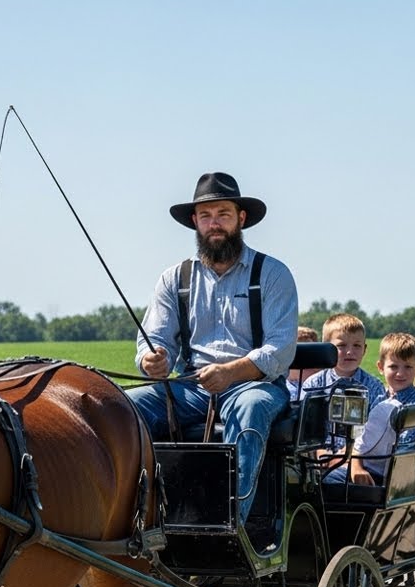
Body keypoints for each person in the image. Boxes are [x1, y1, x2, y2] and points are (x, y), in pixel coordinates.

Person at [129, 172, 298, 520]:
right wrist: (153, 361)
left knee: (250, 409)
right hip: (191, 387)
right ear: (195, 223)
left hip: (256, 386)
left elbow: (279, 350)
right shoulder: (175, 279)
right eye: (206, 216)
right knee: (126, 407)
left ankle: (230, 523)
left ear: (241, 218)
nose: (214, 224)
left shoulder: (272, 274)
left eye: (222, 214)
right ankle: (135, 515)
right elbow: (156, 340)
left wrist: (231, 372)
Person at [324, 332, 415, 485]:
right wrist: (354, 459)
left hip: (389, 473)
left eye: (408, 367)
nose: (400, 373)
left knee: (328, 482)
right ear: (381, 367)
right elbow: (364, 435)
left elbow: (403, 444)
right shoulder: (381, 398)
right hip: (367, 464)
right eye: (393, 366)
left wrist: (356, 460)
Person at [301, 313, 387, 452]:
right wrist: (319, 452)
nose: (350, 352)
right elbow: (306, 427)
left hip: (360, 457)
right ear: (327, 349)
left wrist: (353, 455)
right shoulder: (314, 384)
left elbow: (377, 430)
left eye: (357, 346)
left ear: (364, 349)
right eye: (342, 345)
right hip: (320, 457)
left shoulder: (373, 387)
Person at [286, 326, 320, 401]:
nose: (306, 358)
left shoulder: (322, 382)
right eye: (299, 353)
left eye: (311, 353)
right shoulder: (280, 387)